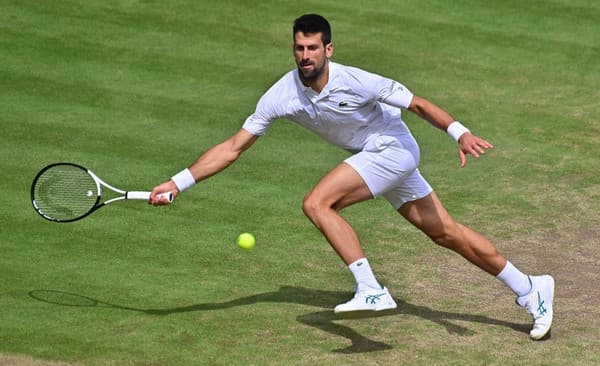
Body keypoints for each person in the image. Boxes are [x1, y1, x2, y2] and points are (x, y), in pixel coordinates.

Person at [150, 14, 554, 340]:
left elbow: (417, 104)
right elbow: (233, 147)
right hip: (373, 157)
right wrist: (178, 181)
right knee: (445, 232)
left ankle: (371, 290)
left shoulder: (357, 79)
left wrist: (459, 132)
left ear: (328, 49)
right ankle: (530, 287)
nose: (304, 55)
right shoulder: (280, 95)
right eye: (299, 48)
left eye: (312, 48)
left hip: (392, 149)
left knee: (317, 203)